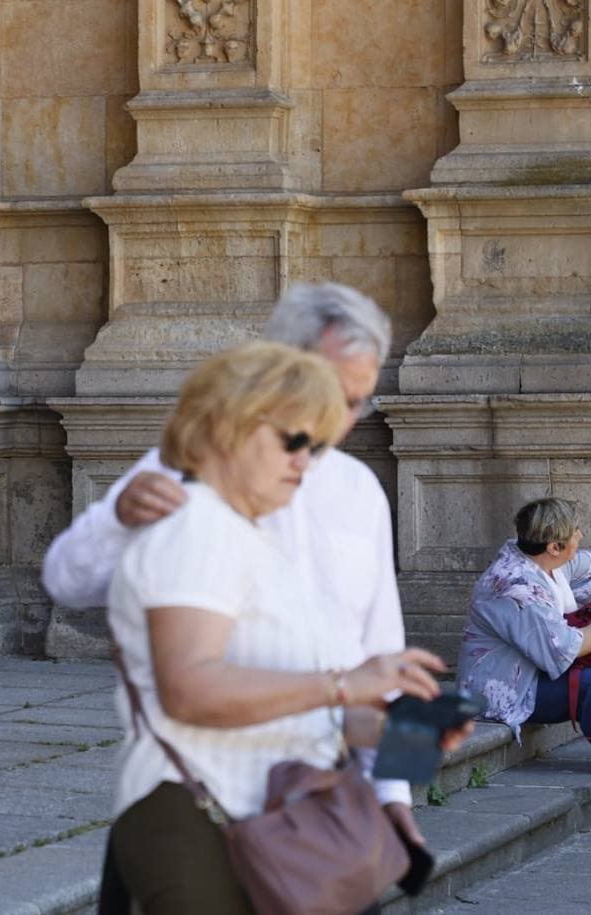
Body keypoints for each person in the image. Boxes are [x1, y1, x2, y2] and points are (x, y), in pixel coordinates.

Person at [45, 282, 452, 846]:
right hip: (203, 796)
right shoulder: (190, 473)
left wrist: (396, 794)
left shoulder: (360, 491)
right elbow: (65, 580)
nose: (340, 420)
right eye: (329, 391)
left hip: (319, 799)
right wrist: (118, 517)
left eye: (358, 401)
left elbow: (381, 652)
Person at [104, 341, 447, 913]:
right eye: (292, 440)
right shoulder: (195, 529)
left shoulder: (251, 537)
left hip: (275, 814)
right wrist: (342, 684)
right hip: (200, 818)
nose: (305, 460)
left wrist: (398, 733)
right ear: (228, 429)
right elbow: (189, 690)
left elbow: (303, 701)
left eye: (314, 444)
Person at [458, 497, 591, 822]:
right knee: (589, 685)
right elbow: (565, 648)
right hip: (502, 690)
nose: (580, 536)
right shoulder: (515, 587)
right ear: (555, 546)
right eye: (575, 534)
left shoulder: (535, 554)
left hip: (531, 673)